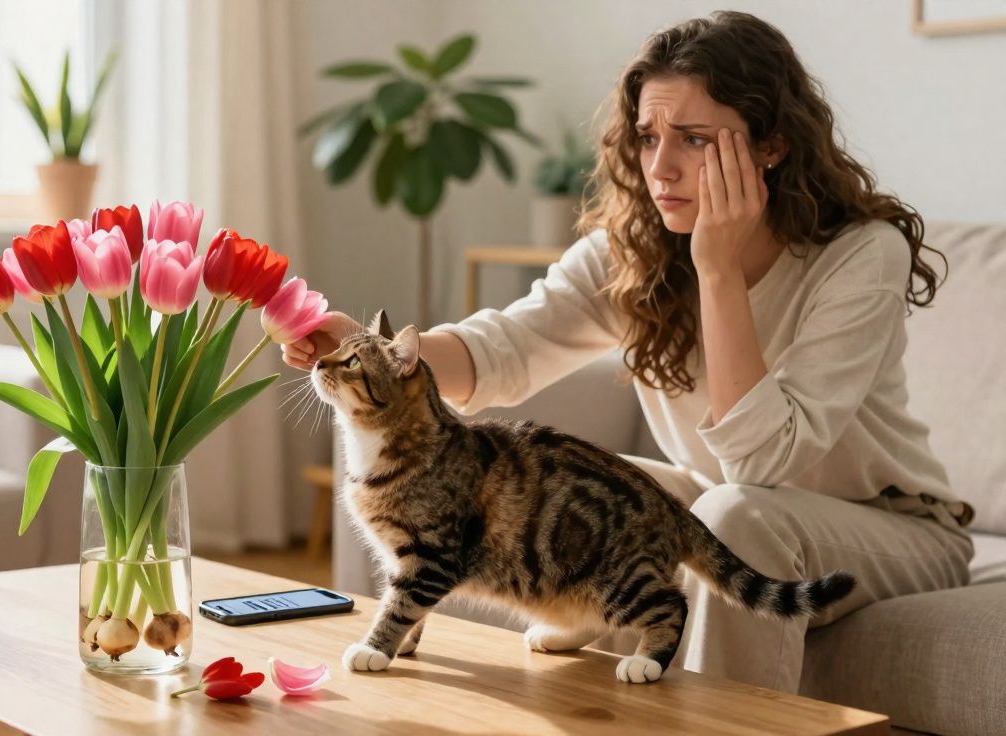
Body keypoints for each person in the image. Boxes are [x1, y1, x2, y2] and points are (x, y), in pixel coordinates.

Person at [281, 10, 974, 694]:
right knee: (582, 487)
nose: (660, 167)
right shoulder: (632, 255)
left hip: (894, 528)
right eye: (647, 137)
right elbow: (505, 349)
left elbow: (760, 466)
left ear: (771, 146)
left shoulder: (858, 257)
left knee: (736, 515)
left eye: (694, 139)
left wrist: (719, 270)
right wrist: (363, 351)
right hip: (724, 500)